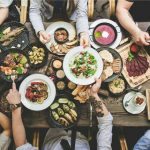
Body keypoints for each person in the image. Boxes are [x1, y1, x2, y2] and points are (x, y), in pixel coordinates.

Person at [6, 78, 113, 150]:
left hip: (51, 135)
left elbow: (21, 145)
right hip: (81, 135)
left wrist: (15, 108)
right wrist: (94, 95)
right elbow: (105, 124)